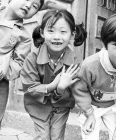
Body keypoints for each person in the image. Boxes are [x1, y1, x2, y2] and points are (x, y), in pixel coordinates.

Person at [0, 0, 45, 139]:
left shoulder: (24, 35)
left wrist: (6, 69)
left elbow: (18, 63)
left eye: (34, 6)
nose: (28, 5)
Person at [72, 13, 116, 140]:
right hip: (91, 106)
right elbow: (79, 89)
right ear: (105, 45)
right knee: (90, 134)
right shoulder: (90, 65)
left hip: (113, 106)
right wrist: (89, 113)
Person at [20, 9, 87, 140]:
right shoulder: (32, 58)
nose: (57, 36)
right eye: (51, 30)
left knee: (57, 137)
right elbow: (30, 88)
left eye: (63, 32)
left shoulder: (74, 61)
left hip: (62, 106)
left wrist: (61, 89)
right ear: (42, 32)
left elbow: (78, 89)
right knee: (43, 137)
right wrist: (52, 85)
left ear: (72, 35)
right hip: (38, 106)